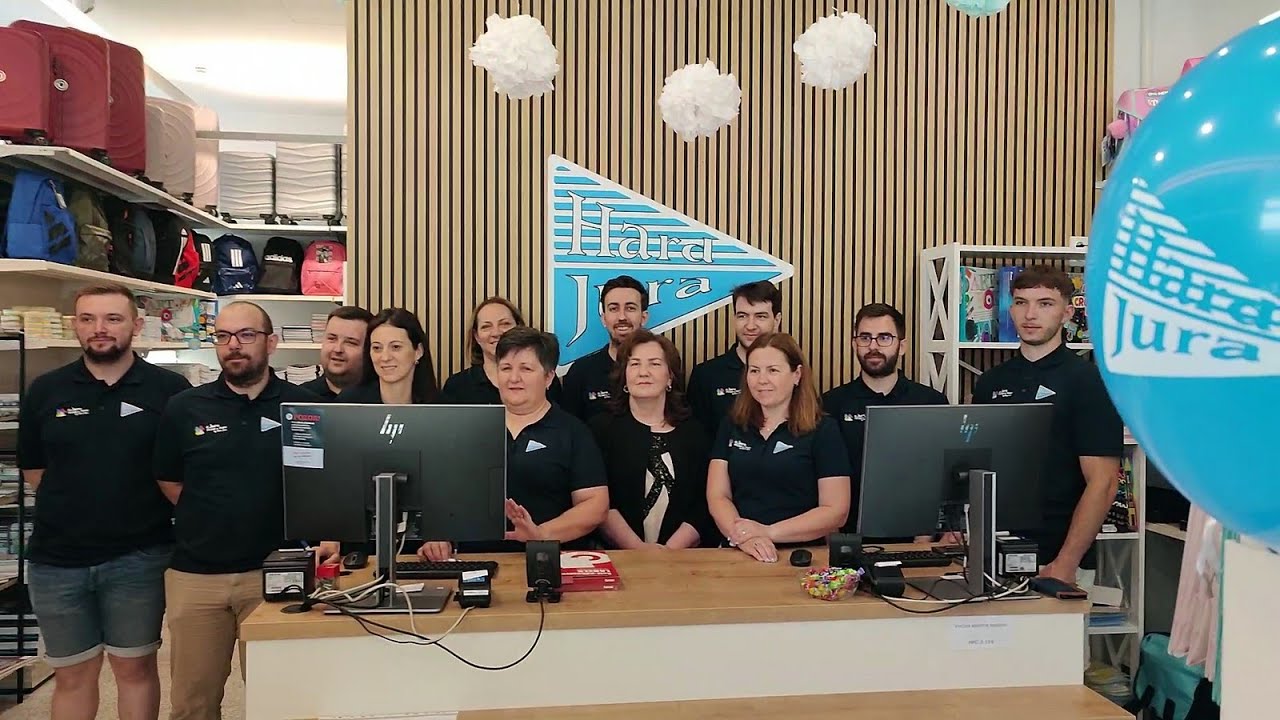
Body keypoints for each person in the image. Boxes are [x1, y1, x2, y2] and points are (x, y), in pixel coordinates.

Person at [16, 284, 190, 720]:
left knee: (135, 669)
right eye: (88, 319)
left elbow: (181, 468)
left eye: (113, 319)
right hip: (56, 561)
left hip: (140, 557)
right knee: (73, 675)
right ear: (75, 325)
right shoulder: (46, 389)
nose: (100, 329)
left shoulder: (169, 390)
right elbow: (34, 469)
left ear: (136, 324)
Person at [154, 301, 332, 720]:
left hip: (276, 571)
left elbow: (320, 482)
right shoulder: (184, 407)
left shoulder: (303, 407)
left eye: (246, 335)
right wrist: (215, 513)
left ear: (271, 343)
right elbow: (169, 480)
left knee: (281, 703)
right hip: (197, 577)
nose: (234, 345)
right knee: (192, 704)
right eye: (223, 336)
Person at [973, 266, 1123, 586]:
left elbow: (1104, 482)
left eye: (1045, 304)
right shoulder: (990, 383)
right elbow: (975, 468)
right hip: (993, 551)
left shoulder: (1089, 382)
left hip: (1058, 556)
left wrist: (1066, 562)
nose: (1030, 314)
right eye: (1021, 302)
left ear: (1067, 313)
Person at [418, 327, 608, 559]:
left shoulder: (573, 432)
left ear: (548, 377)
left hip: (547, 561)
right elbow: (442, 496)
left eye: (526, 369)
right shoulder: (468, 430)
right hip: (474, 562)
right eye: (506, 368)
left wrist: (540, 534)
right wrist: (438, 534)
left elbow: (595, 505)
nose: (514, 378)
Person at [706, 333, 852, 563]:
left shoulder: (823, 429)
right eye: (754, 371)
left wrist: (768, 532)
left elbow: (836, 510)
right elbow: (718, 496)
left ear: (797, 375)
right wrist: (744, 538)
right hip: (740, 551)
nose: (761, 380)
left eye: (772, 370)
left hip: (802, 557)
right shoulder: (732, 424)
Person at [822, 303, 948, 532]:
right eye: (865, 338)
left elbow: (943, 476)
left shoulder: (931, 402)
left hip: (917, 535)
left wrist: (926, 537)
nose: (873, 346)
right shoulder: (830, 404)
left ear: (902, 346)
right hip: (848, 536)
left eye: (884, 338)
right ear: (854, 343)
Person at [589, 330, 712, 550]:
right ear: (624, 376)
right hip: (618, 556)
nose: (643, 372)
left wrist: (669, 551)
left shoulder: (694, 433)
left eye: (654, 364)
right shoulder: (600, 430)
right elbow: (599, 500)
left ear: (670, 377)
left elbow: (703, 503)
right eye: (635, 364)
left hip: (682, 557)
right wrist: (640, 551)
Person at [687, 280, 782, 434]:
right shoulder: (705, 375)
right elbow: (696, 439)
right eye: (742, 316)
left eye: (760, 316)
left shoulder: (791, 373)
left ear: (777, 320)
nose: (750, 326)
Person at [440, 296, 562, 404]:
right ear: (476, 336)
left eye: (505, 324)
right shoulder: (457, 386)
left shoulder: (543, 377)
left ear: (519, 327)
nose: (496, 333)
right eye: (486, 327)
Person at [561, 275, 648, 421]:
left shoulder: (661, 370)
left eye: (630, 308)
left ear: (643, 318)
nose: (622, 317)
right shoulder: (581, 372)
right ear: (604, 318)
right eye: (614, 308)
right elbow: (568, 429)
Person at [335, 308, 440, 404]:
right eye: (377, 348)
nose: (385, 357)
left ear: (418, 351)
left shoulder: (440, 406)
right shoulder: (349, 403)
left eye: (395, 347)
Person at [300, 305, 373, 400]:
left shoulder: (384, 398)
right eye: (332, 338)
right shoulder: (299, 398)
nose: (338, 349)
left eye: (350, 342)